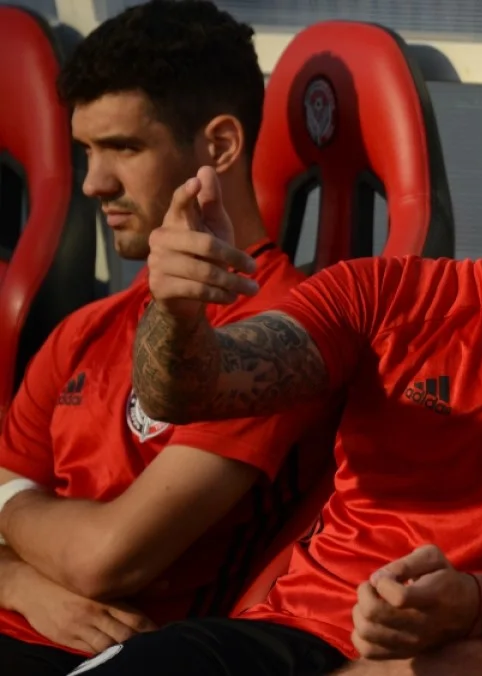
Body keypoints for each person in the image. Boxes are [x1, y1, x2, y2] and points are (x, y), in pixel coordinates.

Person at [75, 55, 482, 676]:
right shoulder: (387, 295)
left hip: (464, 659)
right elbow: (188, 392)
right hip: (287, 638)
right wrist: (175, 310)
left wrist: (470, 603)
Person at [0, 2, 336, 674]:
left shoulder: (278, 340)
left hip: (112, 655)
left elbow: (108, 560)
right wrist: (17, 583)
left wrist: (7, 504)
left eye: (124, 148)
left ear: (220, 147)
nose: (93, 183)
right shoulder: (84, 329)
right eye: (86, 150)